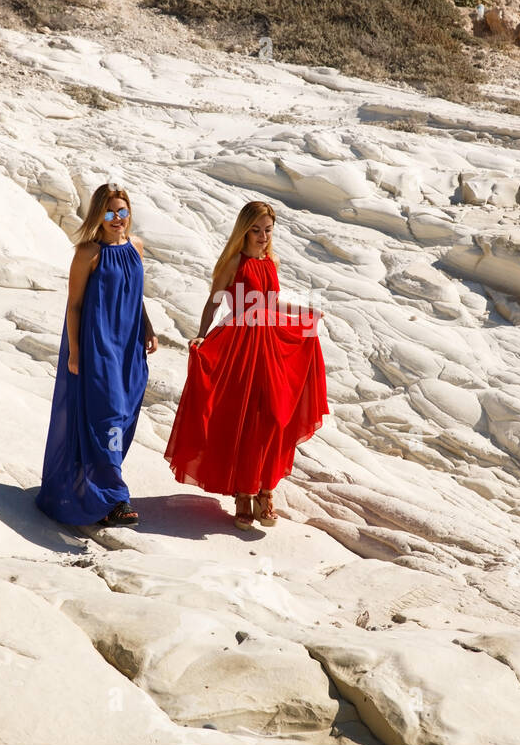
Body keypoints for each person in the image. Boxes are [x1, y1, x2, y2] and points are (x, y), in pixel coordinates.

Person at [164, 201, 328, 529]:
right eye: (256, 229)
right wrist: (200, 335)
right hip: (238, 346)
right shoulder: (232, 263)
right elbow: (214, 302)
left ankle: (266, 490)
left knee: (272, 416)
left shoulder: (272, 261)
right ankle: (242, 492)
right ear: (244, 229)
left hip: (269, 346)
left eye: (268, 230)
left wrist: (302, 313)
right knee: (242, 417)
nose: (263, 236)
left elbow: (270, 303)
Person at [36, 181, 157, 526]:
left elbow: (134, 294)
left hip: (129, 347)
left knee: (122, 418)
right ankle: (116, 497)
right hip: (98, 346)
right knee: (108, 418)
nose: (117, 218)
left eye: (122, 211)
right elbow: (74, 306)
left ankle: (98, 485)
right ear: (98, 216)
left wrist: (147, 326)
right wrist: (75, 352)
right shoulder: (88, 253)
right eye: (109, 212)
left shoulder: (136, 247)